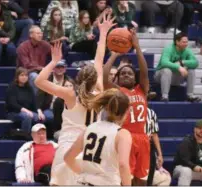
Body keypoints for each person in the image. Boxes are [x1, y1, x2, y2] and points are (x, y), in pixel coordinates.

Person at [34, 11, 116, 185]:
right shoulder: (100, 92)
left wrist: (54, 61)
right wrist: (103, 34)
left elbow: (39, 81)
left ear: (77, 78)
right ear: (95, 79)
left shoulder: (71, 94)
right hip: (91, 149)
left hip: (69, 145)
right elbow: (99, 59)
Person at [103, 29, 150, 186]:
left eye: (130, 73)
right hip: (125, 137)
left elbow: (144, 71)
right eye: (122, 74)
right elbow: (104, 77)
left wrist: (137, 47)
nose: (126, 75)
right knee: (125, 178)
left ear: (135, 78)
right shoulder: (117, 91)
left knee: (141, 179)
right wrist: (115, 54)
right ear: (118, 78)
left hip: (143, 138)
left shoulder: (141, 89)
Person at [64, 89, 132, 185]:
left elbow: (68, 158)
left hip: (82, 182)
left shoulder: (89, 128)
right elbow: (123, 165)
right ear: (125, 112)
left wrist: (86, 175)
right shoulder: (122, 134)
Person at [154, 32, 200, 102]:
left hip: (176, 77)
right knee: (166, 70)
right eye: (183, 42)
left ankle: (190, 95)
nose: (186, 44)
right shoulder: (168, 49)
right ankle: (164, 96)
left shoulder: (187, 50)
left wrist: (182, 62)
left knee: (191, 70)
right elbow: (164, 62)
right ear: (177, 42)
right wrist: (178, 67)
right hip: (160, 77)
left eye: (187, 42)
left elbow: (196, 63)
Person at [36, 60, 70, 138]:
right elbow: (39, 97)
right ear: (53, 69)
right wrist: (39, 110)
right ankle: (50, 137)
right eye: (58, 67)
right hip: (49, 108)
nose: (60, 69)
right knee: (50, 117)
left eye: (62, 67)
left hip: (65, 109)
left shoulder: (70, 82)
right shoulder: (46, 81)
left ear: (65, 69)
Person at [16, 25, 51, 95]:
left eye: (41, 33)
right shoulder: (23, 47)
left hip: (41, 72)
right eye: (38, 33)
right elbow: (26, 65)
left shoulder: (45, 45)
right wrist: (41, 68)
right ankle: (34, 102)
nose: (40, 35)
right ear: (31, 35)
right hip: (27, 73)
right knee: (34, 76)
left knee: (56, 73)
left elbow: (55, 54)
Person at [6, 67, 40, 133]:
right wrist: (26, 111)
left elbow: (34, 102)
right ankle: (25, 135)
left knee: (40, 118)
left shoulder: (29, 88)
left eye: (26, 75)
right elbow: (12, 104)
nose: (24, 77)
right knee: (27, 117)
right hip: (14, 112)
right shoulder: (12, 87)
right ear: (17, 76)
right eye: (22, 75)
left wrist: (39, 111)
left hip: (27, 112)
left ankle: (37, 136)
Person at [146, 108, 171, 186]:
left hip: (147, 151)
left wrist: (160, 155)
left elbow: (155, 135)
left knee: (166, 178)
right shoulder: (128, 111)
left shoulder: (151, 113)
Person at [0, 0, 17, 66]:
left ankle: (12, 70)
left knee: (12, 49)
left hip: (6, 38)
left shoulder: (6, 14)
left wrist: (9, 38)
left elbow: (12, 29)